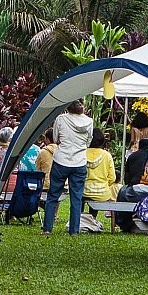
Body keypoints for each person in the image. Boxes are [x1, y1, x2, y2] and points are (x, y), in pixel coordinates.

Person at [43, 100, 94, 236]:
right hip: (79, 162)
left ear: (68, 108)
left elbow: (55, 138)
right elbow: (88, 141)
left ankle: (47, 228)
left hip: (61, 160)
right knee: (76, 198)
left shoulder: (61, 119)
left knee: (53, 195)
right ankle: (74, 231)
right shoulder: (89, 121)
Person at [115, 115, 148, 233]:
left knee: (123, 191)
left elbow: (127, 179)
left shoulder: (133, 156)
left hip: (137, 191)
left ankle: (124, 224)